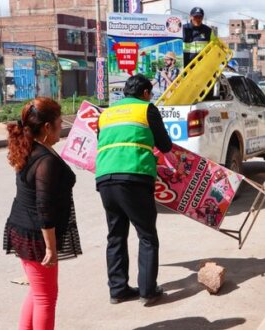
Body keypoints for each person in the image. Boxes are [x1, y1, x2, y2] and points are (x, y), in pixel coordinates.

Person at [4, 97, 82, 329]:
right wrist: (50, 247)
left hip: (23, 230)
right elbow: (44, 207)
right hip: (36, 235)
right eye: (59, 122)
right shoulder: (44, 160)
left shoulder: (33, 148)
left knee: (37, 293)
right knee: (46, 298)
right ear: (47, 127)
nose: (62, 126)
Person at [96, 74, 173, 306]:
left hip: (105, 177)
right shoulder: (146, 109)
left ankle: (118, 290)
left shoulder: (107, 113)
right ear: (146, 93)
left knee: (116, 235)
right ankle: (148, 291)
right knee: (147, 235)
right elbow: (165, 145)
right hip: (134, 175)